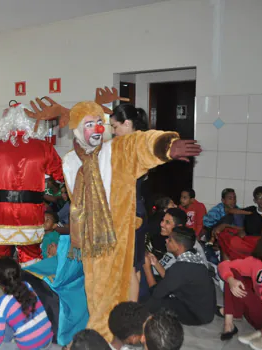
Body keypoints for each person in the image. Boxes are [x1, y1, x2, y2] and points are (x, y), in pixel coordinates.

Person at [29, 88, 201, 340]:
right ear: (76, 130)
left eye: (100, 123)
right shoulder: (69, 161)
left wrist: (166, 145)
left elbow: (139, 144)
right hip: (92, 240)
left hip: (118, 237)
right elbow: (77, 199)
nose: (98, 129)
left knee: (118, 291)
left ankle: (112, 336)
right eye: (90, 124)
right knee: (97, 292)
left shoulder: (115, 149)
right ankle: (103, 336)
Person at [0, 102, 63, 300]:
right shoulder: (43, 147)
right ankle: (34, 307)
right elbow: (60, 174)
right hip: (30, 218)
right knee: (31, 260)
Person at [217, 227, 262, 341]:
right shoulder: (257, 262)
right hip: (254, 314)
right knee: (232, 274)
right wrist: (231, 280)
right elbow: (224, 265)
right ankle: (229, 322)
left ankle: (230, 318)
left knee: (235, 278)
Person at [110, 103, 150, 302]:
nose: (113, 132)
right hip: (136, 209)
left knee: (130, 266)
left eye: (115, 127)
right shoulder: (133, 144)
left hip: (132, 212)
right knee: (134, 264)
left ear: (127, 123)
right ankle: (134, 304)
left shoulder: (136, 145)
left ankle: (131, 310)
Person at [144, 227, 215, 325]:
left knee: (152, 302)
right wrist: (155, 263)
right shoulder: (192, 256)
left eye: (170, 240)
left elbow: (156, 293)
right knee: (157, 282)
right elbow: (171, 278)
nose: (166, 240)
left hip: (197, 315)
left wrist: (147, 267)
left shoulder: (181, 267)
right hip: (202, 308)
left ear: (179, 247)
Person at [0, 257, 53, 349]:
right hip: (48, 340)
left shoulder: (1, 304)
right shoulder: (27, 285)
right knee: (8, 322)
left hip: (30, 347)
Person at [217, 186, 262, 261]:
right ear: (255, 200)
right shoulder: (252, 209)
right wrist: (250, 213)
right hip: (250, 240)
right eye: (259, 197)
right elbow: (232, 211)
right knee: (227, 240)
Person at [145, 209, 208, 280]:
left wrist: (150, 266)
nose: (161, 224)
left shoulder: (186, 245)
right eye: (162, 220)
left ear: (179, 226)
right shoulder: (173, 240)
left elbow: (171, 279)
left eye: (167, 222)